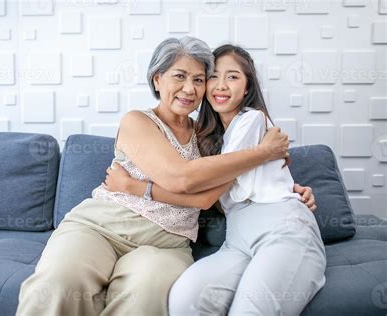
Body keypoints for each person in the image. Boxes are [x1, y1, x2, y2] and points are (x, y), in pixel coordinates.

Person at [16, 37, 296, 316]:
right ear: (157, 79)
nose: (189, 88)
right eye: (180, 76)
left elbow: (212, 196)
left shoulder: (208, 137)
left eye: (199, 80)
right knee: (59, 283)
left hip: (167, 243)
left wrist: (291, 189)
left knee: (145, 294)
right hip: (100, 227)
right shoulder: (137, 121)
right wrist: (263, 152)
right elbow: (182, 179)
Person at [103, 44, 325, 316]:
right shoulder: (209, 141)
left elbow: (203, 185)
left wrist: (133, 186)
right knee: (185, 301)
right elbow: (215, 186)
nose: (220, 85)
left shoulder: (253, 120)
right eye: (212, 77)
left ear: (247, 87)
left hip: (282, 229)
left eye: (232, 77)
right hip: (238, 239)